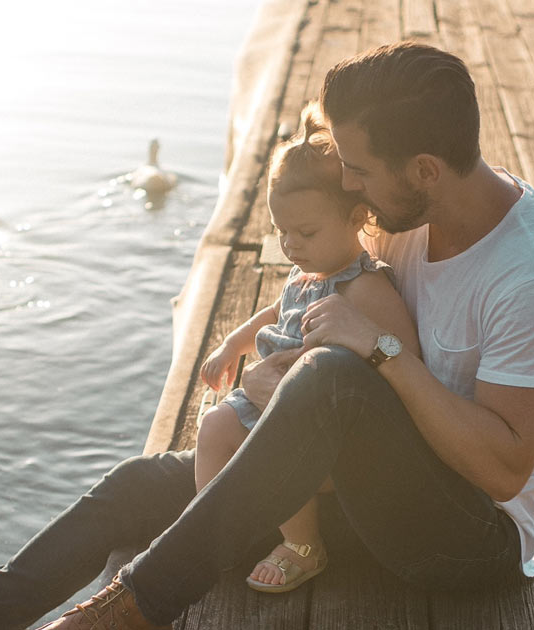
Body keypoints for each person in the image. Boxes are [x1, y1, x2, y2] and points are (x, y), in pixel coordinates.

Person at [0, 41, 534, 630]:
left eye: (358, 169)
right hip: (356, 487)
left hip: (464, 539)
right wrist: (278, 358)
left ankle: (125, 613)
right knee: (136, 486)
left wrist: (379, 354)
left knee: (333, 382)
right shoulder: (404, 218)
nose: (347, 184)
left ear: (424, 169)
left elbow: (501, 471)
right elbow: (328, 303)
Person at [194, 103, 419, 593]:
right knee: (212, 426)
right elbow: (275, 312)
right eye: (282, 233)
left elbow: (404, 357)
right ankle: (214, 530)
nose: (291, 246)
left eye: (306, 232)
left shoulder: (364, 287)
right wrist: (234, 344)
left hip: (318, 421)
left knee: (278, 452)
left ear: (358, 216)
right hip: (269, 394)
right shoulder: (307, 271)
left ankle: (304, 545)